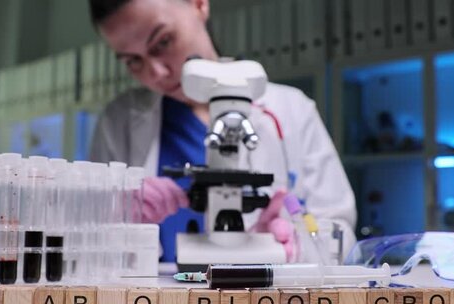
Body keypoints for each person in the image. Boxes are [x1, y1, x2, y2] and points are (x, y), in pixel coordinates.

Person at [88, 0, 357, 262]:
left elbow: (340, 236)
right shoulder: (119, 122)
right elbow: (83, 241)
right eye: (133, 61)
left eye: (163, 42)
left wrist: (295, 248)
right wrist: (118, 218)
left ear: (199, 4)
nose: (156, 72)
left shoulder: (293, 110)